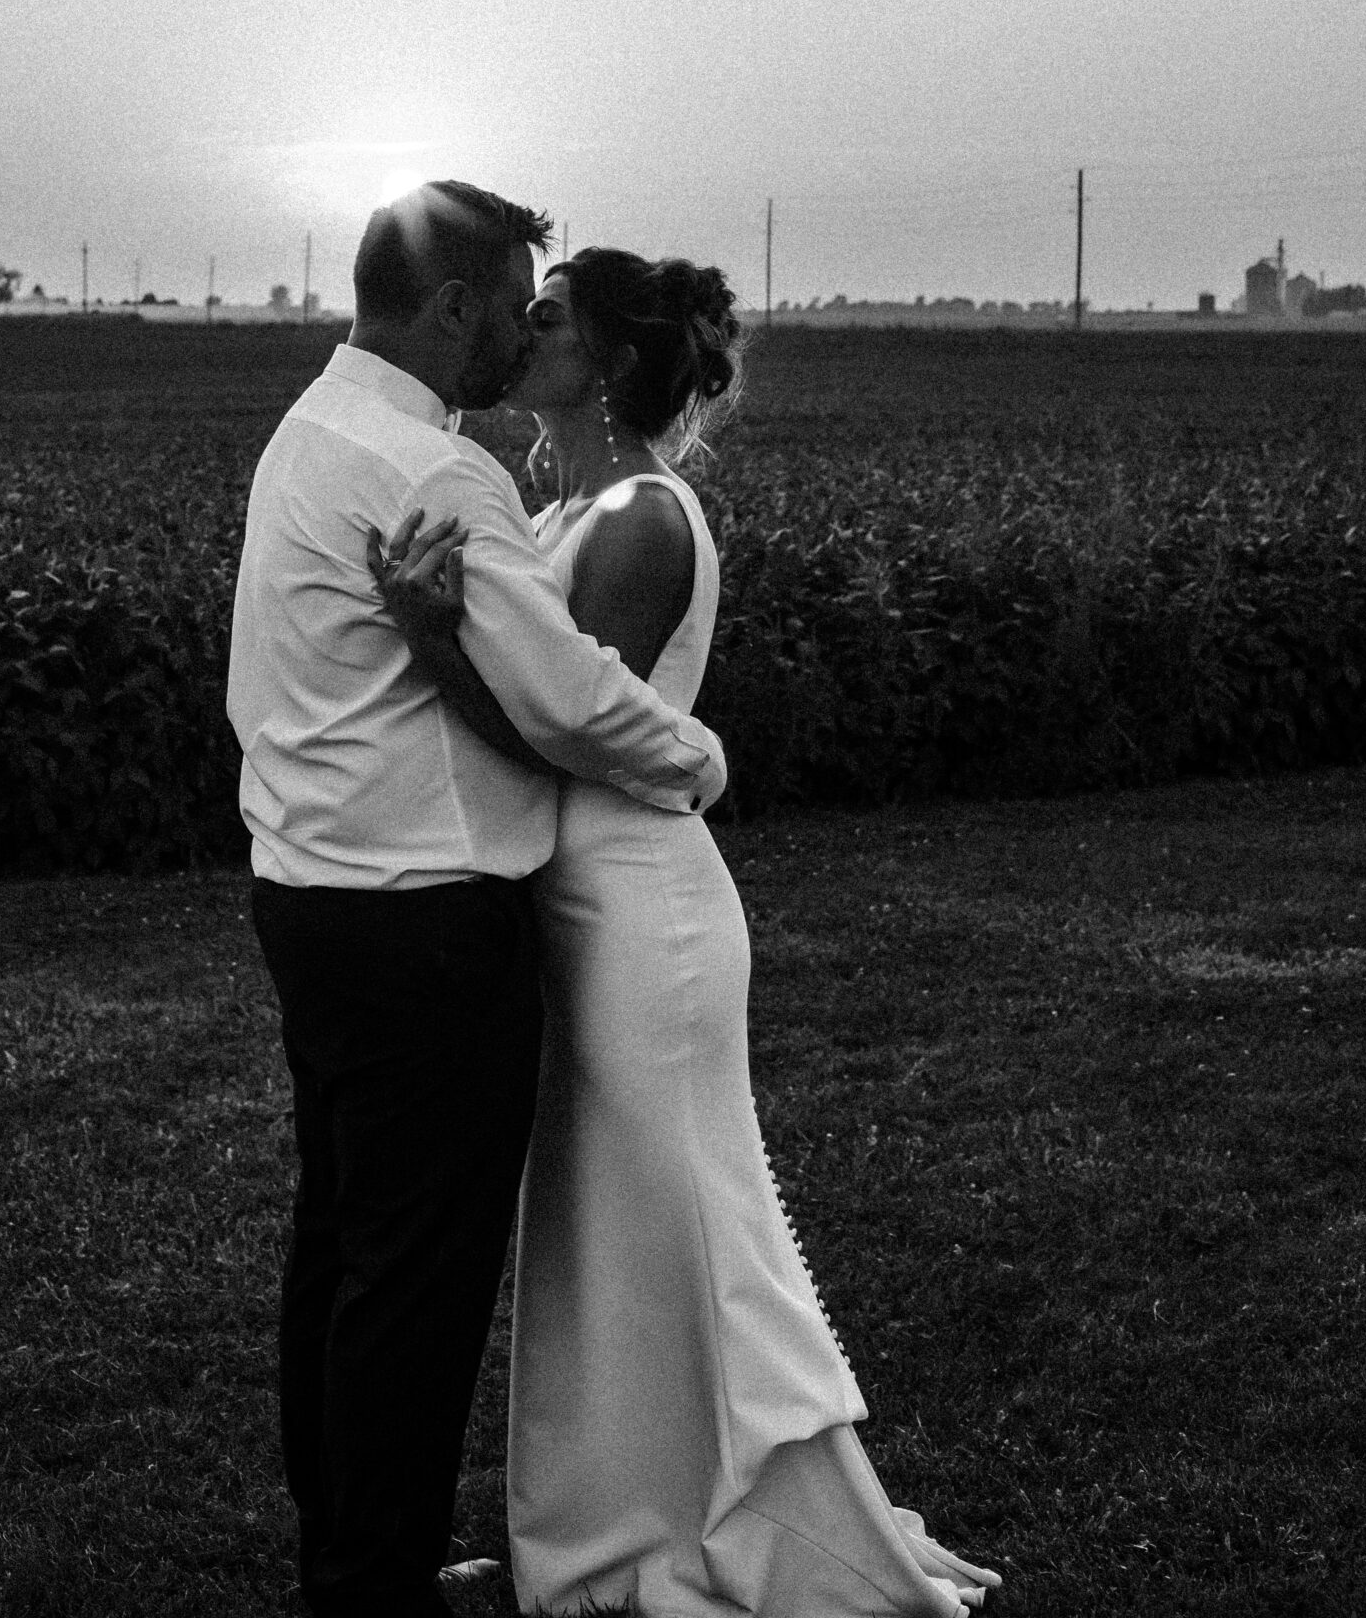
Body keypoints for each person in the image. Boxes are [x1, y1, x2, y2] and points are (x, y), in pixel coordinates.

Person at [373, 247, 1001, 1617]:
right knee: (597, 1238)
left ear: (597, 361)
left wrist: (430, 643)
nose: (519, 333)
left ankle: (752, 1526)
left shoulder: (646, 520)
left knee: (682, 1228)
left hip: (641, 912)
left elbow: (563, 736)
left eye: (547, 320)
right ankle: (596, 1534)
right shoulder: (556, 504)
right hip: (573, 907)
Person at [226, 185, 729, 1618]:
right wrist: (697, 756)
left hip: (311, 896)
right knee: (416, 1286)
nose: (523, 325)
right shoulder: (435, 477)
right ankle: (373, 1587)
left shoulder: (311, 430)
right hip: (430, 927)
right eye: (514, 299)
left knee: (342, 1252)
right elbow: (572, 702)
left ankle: (348, 1555)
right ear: (452, 307)